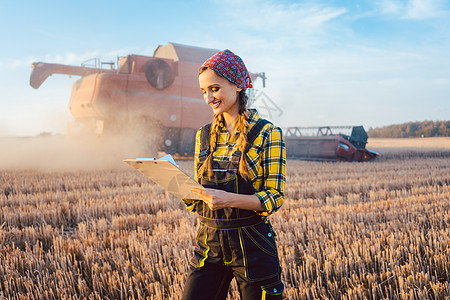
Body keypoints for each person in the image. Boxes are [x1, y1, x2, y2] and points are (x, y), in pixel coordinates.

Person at [181, 49, 286, 300]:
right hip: (209, 242)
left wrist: (228, 199)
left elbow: (274, 197)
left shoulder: (267, 133)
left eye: (214, 89)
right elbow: (199, 199)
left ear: (237, 85)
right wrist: (185, 190)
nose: (208, 98)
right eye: (204, 91)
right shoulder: (203, 135)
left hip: (253, 245)